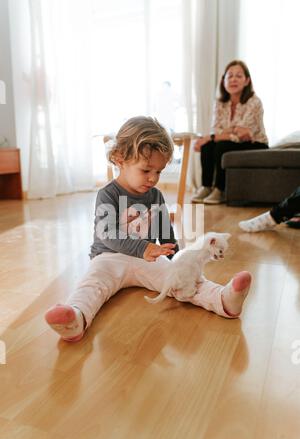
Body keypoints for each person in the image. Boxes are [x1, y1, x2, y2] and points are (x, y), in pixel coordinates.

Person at [45, 116, 252, 342]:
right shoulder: (108, 194)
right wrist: (143, 247)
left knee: (182, 280)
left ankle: (222, 299)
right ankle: (76, 318)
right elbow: (108, 234)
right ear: (119, 159)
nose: (153, 178)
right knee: (92, 285)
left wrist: (177, 260)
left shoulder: (155, 196)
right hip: (108, 258)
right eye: (146, 170)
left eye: (159, 172)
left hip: (149, 260)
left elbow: (165, 235)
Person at [192, 60, 269, 205]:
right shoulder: (220, 103)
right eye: (230, 76)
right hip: (231, 142)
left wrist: (216, 135)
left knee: (220, 145)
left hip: (255, 143)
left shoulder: (254, 102)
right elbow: (218, 129)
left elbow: (243, 135)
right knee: (207, 146)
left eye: (239, 76)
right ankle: (207, 187)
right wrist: (229, 131)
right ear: (223, 81)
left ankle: (220, 190)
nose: (233, 79)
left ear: (247, 81)